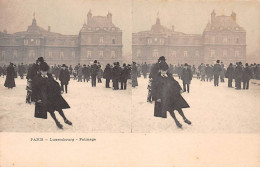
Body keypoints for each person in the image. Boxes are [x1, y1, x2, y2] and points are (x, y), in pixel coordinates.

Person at [151, 61, 192, 129]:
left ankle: (184, 118)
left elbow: (175, 83)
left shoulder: (169, 76)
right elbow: (154, 89)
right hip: (164, 97)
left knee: (178, 107)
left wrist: (179, 89)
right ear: (160, 70)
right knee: (170, 110)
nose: (164, 72)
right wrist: (157, 97)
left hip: (172, 95)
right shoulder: (156, 78)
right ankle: (176, 121)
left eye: (165, 70)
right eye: (163, 71)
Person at [34, 62, 72, 129]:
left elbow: (55, 83)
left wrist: (60, 89)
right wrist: (38, 98)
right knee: (51, 111)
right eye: (43, 71)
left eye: (46, 71)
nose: (45, 73)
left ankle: (65, 119)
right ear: (40, 71)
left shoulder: (49, 75)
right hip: (45, 97)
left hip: (53, 95)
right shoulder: (37, 78)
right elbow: (35, 89)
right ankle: (57, 122)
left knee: (59, 108)